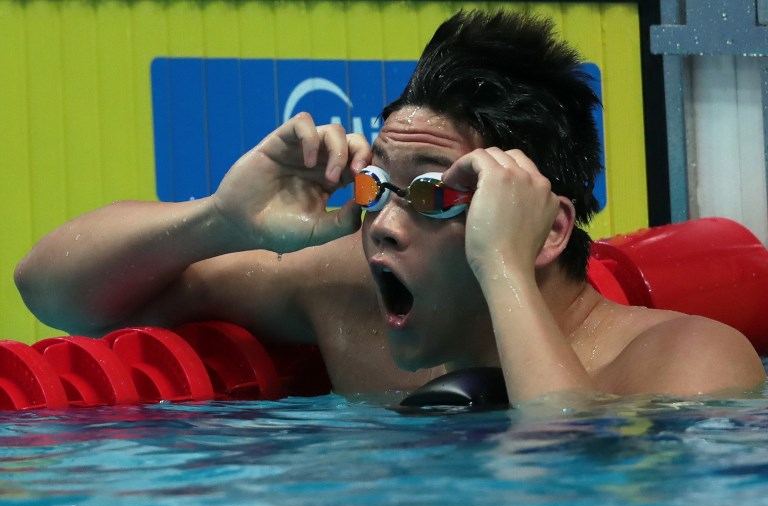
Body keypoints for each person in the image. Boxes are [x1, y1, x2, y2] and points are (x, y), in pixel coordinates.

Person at [14, 10, 765, 404]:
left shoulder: (685, 361)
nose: (386, 225)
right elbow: (52, 292)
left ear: (548, 228)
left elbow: (565, 474)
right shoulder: (345, 296)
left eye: (434, 193)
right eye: (377, 185)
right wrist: (222, 218)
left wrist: (500, 271)